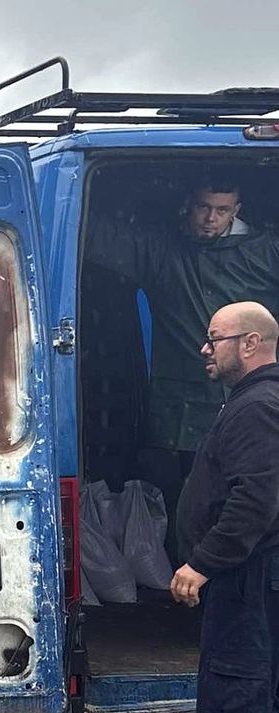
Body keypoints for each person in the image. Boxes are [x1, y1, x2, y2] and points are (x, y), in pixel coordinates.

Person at [85, 180, 279, 555]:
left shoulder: (266, 252)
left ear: (238, 210)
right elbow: (100, 236)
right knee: (185, 500)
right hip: (178, 410)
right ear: (188, 205)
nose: (210, 218)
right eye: (204, 207)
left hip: (249, 397)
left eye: (222, 210)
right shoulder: (164, 253)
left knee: (250, 490)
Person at [167, 301, 279, 713]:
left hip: (243, 579)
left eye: (215, 339)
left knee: (230, 701)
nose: (205, 349)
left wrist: (202, 563)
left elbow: (254, 500)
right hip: (261, 578)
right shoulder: (257, 402)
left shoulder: (256, 407)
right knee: (264, 699)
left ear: (251, 344)